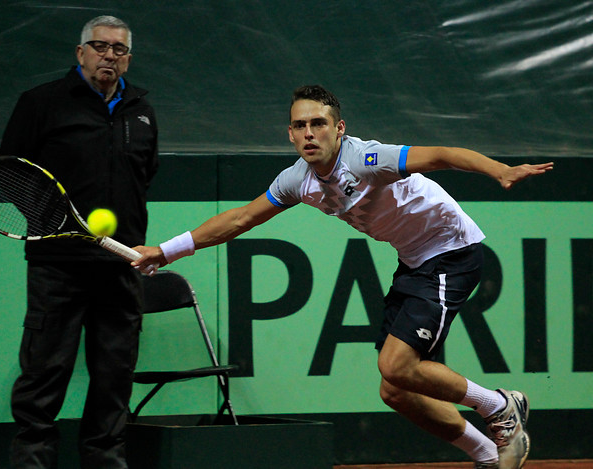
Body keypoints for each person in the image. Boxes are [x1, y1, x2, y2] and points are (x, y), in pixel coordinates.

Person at [132, 85, 552, 468]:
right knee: (395, 389)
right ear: (290, 135)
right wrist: (164, 252)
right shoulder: (296, 180)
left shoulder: (368, 158)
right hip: (413, 262)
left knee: (396, 364)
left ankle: (499, 406)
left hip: (452, 252)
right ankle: (486, 455)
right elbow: (240, 218)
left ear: (339, 129)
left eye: (319, 123)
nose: (310, 133)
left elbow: (441, 154)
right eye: (300, 125)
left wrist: (498, 169)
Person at [0, 15, 159, 469]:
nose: (110, 55)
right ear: (80, 52)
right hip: (57, 266)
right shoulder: (41, 103)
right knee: (43, 377)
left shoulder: (142, 110)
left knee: (113, 379)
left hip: (120, 267)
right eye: (100, 46)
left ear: (128, 58)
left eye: (119, 49)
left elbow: (145, 173)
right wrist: (54, 222)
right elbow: (11, 173)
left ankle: (106, 461)